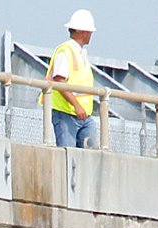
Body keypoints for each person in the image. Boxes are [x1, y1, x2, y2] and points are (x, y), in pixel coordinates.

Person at [49, 10, 99, 149]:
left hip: (84, 115)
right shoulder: (65, 51)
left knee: (91, 154)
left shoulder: (81, 53)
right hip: (66, 114)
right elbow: (59, 82)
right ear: (84, 32)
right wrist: (77, 106)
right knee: (68, 155)